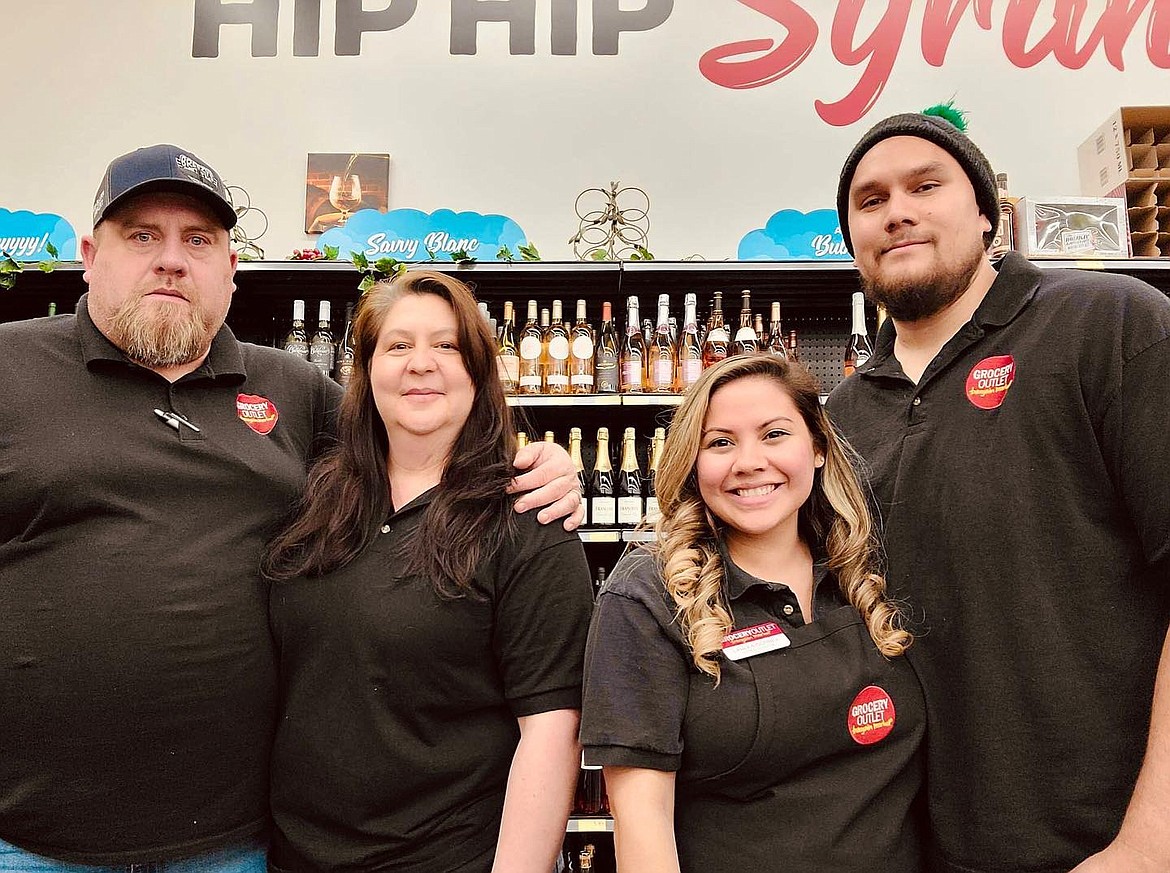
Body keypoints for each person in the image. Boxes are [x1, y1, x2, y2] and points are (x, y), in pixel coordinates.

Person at [0, 145, 582, 871]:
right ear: (90, 254)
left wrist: (544, 461)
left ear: (231, 270)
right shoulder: (9, 369)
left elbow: (419, 430)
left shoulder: (291, 387)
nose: (172, 261)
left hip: (234, 844)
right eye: (142, 235)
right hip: (32, 843)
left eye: (199, 241)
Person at [829, 109, 1170, 873]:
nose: (898, 212)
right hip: (913, 848)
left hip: (1104, 846)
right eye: (871, 200)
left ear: (986, 212)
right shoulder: (840, 419)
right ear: (852, 236)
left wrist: (1152, 841)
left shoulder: (1108, 325)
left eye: (926, 185)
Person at [261, 270, 593, 873]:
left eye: (447, 345)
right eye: (397, 345)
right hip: (291, 856)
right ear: (362, 371)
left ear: (480, 371)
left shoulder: (526, 517)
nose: (421, 364)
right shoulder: (315, 497)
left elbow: (552, 732)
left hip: (447, 856)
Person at [579, 354, 926, 872]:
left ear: (818, 449)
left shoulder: (868, 565)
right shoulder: (647, 598)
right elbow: (642, 825)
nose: (748, 462)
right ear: (692, 466)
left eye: (774, 434)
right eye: (720, 442)